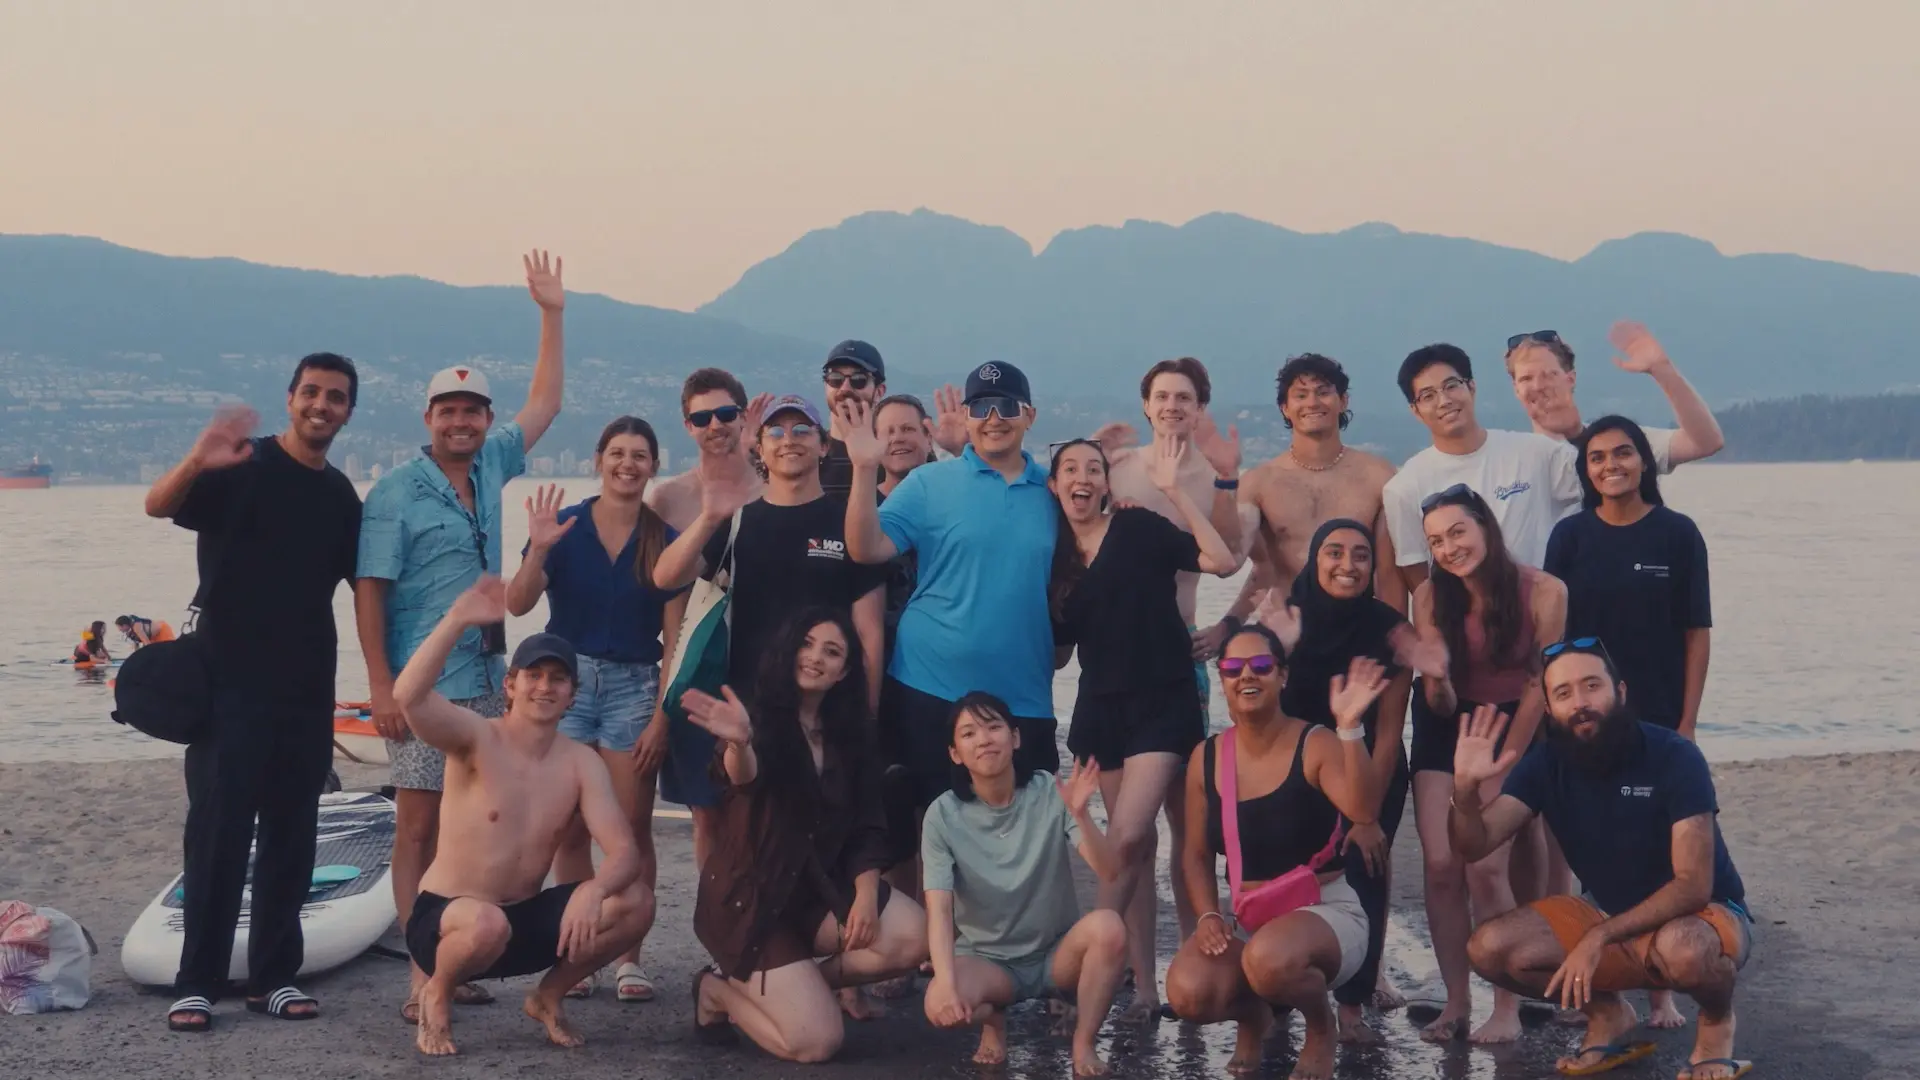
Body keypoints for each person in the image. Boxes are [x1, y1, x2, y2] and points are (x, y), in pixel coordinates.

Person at [355, 250, 566, 1024]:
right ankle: (421, 971)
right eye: (448, 410)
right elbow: (369, 593)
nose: (462, 420)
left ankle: (454, 955)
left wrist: (551, 313)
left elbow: (543, 405)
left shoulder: (488, 466)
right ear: (428, 419)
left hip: (489, 675)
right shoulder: (392, 493)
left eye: (473, 410)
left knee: (464, 825)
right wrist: (381, 685)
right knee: (416, 823)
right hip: (423, 681)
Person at [141, 353, 363, 1032]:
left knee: (295, 836)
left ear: (348, 411)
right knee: (219, 834)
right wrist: (200, 454)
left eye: (337, 397)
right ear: (291, 397)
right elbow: (157, 505)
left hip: (305, 685)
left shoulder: (339, 496)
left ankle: (274, 976)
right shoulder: (242, 463)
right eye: (313, 393)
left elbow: (368, 589)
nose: (322, 405)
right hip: (227, 682)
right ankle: (197, 980)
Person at [1452, 639, 1752, 1080]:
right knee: (1489, 949)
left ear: (1621, 692)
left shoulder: (1674, 756)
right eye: (1564, 693)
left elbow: (1693, 884)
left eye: (1592, 686)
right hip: (1610, 920)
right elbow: (1476, 845)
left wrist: (1598, 939)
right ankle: (1608, 1014)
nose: (1581, 703)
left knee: (1683, 949)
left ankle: (1716, 1025)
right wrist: (1464, 790)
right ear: (1551, 710)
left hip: (1705, 917)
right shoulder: (1547, 762)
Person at [392, 580, 655, 1056]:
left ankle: (547, 996)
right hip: (448, 921)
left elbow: (625, 853)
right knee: (487, 923)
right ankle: (436, 990)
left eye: (558, 679)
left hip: (521, 923)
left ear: (572, 695)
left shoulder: (579, 763)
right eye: (533, 675)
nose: (545, 686)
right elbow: (409, 697)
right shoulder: (476, 737)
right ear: (510, 685)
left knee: (635, 901)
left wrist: (594, 890)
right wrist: (455, 621)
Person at [1047, 436, 1239, 1022]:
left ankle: (1094, 974)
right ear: (1054, 486)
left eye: (1094, 469)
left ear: (1108, 485)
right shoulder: (1054, 561)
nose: (1082, 478)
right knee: (1138, 848)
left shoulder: (1138, 530)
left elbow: (1223, 561)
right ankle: (1146, 987)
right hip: (1099, 710)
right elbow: (1057, 658)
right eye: (1069, 470)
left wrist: (1175, 490)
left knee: (1125, 838)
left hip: (1162, 700)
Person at [686, 607, 930, 1063]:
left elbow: (868, 825)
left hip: (815, 890)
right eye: (806, 643)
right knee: (816, 1042)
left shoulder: (851, 734)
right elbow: (744, 777)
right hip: (753, 903)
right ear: (788, 652)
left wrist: (863, 892)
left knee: (913, 936)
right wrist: (739, 742)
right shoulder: (756, 721)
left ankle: (799, 985)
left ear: (844, 671)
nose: (815, 657)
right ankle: (715, 991)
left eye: (832, 651)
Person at [504, 415, 689, 1005]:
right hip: (569, 683)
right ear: (598, 460)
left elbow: (676, 639)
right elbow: (517, 602)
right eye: (616, 452)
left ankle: (627, 959)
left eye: (639, 454)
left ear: (653, 466)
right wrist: (538, 547)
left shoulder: (665, 536)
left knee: (631, 827)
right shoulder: (565, 525)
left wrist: (663, 717)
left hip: (637, 685)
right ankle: (578, 952)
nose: (627, 463)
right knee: (570, 827)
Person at [1163, 625, 1388, 1080]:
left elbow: (1363, 808)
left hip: (1327, 912)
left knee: (1270, 959)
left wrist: (1349, 728)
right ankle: (1254, 1018)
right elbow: (1196, 854)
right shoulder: (1206, 758)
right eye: (1232, 668)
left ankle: (1320, 1028)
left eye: (1261, 665)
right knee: (1187, 991)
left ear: (1282, 676)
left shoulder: (1316, 743)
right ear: (1221, 679)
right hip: (1250, 916)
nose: (1247, 675)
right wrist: (1208, 915)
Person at [840, 361, 1062, 816]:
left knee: (1026, 838)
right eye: (981, 407)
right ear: (966, 417)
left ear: (1030, 415)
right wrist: (864, 469)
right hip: (928, 686)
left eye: (1006, 406)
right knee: (931, 834)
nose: (994, 417)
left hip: (1023, 695)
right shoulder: (928, 482)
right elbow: (866, 548)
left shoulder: (1055, 491)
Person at [1394, 484, 1567, 1044]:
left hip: (1519, 721)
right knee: (1443, 864)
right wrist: (1436, 676)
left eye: (1457, 532)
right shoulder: (1428, 597)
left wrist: (1501, 764)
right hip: (1449, 726)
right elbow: (1440, 704)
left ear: (1486, 528)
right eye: (1436, 541)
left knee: (1486, 866)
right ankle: (1456, 1001)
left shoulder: (1544, 591)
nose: (1448, 548)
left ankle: (1507, 1005)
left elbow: (1542, 688)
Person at [922, 693, 1128, 1077]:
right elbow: (939, 910)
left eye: (994, 727)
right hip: (989, 961)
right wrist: (947, 982)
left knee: (1111, 928)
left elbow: (1110, 871)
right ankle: (993, 1019)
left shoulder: (1049, 791)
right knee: (939, 1006)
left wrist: (1080, 815)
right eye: (969, 733)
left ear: (1015, 738)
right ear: (955, 753)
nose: (983, 739)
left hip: (1055, 955)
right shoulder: (942, 815)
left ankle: (1083, 1043)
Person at [1270, 519, 1414, 1042]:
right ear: (1313, 558)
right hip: (1296, 772)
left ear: (1374, 569)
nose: (1347, 565)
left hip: (1371, 767)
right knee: (1287, 878)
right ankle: (1282, 994)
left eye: (1360, 556)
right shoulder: (1287, 619)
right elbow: (1260, 711)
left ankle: (1351, 1007)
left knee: (1364, 871)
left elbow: (1392, 731)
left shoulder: (1391, 630)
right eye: (1333, 552)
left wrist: (1365, 815)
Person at [1210, 354, 1403, 652]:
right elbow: (1231, 561)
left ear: (1343, 401)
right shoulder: (1260, 482)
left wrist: (1396, 640)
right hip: (1288, 638)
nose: (1312, 402)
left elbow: (1390, 574)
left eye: (1323, 392)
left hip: (1359, 634)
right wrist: (1230, 623)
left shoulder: (1378, 476)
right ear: (1285, 409)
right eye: (1300, 395)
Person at [1546, 416, 1713, 739]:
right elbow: (1551, 637)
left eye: (1623, 453)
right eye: (1598, 458)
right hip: (1587, 713)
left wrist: (1688, 722)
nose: (1611, 465)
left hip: (1661, 711)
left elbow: (1696, 633)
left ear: (1644, 463)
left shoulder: (1679, 533)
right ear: (1587, 472)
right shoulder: (1569, 536)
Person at [1381, 344, 1584, 587]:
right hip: (1462, 621)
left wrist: (1574, 428)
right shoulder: (1404, 488)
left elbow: (1604, 488)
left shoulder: (1538, 453)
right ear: (1415, 411)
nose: (1444, 401)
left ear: (1472, 387)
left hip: (1543, 615)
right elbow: (1418, 576)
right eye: (1428, 396)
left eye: (1451, 386)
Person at [1505, 322, 1725, 472]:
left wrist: (1662, 370)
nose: (1538, 386)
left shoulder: (1621, 444)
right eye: (1526, 379)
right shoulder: (1513, 461)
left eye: (1549, 375)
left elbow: (1705, 442)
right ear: (1516, 389)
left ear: (1570, 379)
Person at [818, 340, 962, 495]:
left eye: (858, 380)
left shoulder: (897, 455)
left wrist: (959, 451)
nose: (845, 388)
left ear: (879, 391)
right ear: (826, 385)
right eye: (835, 378)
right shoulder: (810, 454)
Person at [644, 368, 770, 531]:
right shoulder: (667, 499)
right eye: (702, 418)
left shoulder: (773, 490)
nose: (715, 426)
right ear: (689, 427)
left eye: (726, 414)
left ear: (743, 417)